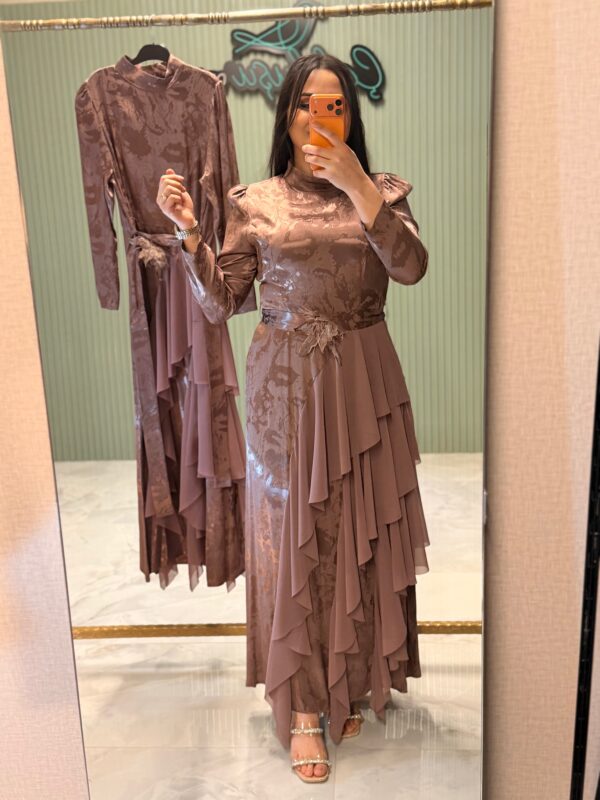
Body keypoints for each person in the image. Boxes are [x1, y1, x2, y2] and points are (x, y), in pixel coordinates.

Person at [156, 53, 430, 785]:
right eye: (307, 103)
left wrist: (359, 189)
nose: (320, 117)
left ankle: (350, 677)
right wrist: (190, 236)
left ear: (352, 117)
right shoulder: (255, 203)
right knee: (294, 536)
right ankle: (305, 706)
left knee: (361, 525)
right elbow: (223, 302)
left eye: (335, 105)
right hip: (287, 389)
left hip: (365, 381)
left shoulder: (384, 192)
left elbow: (409, 268)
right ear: (287, 114)